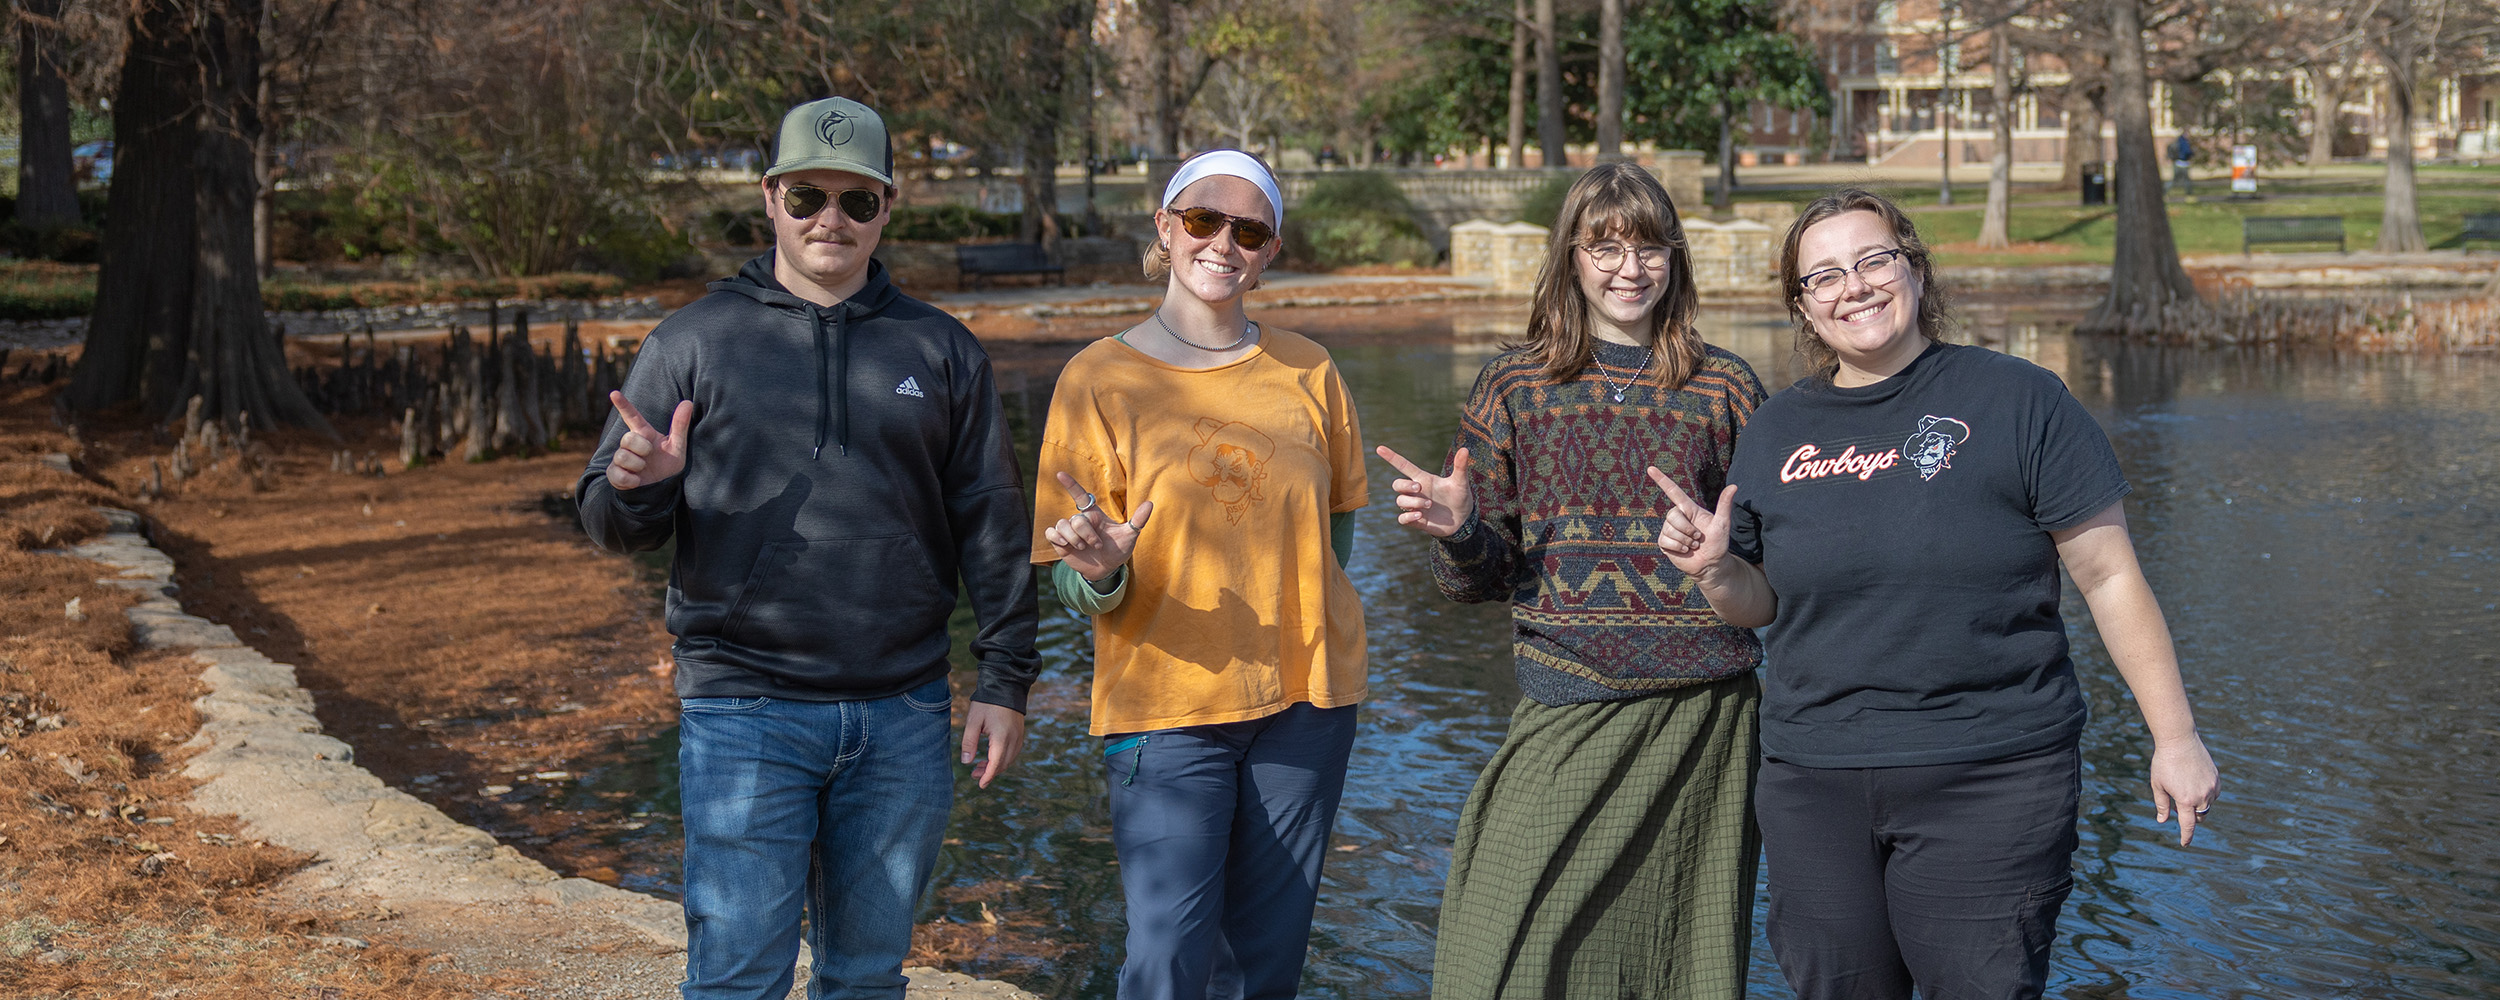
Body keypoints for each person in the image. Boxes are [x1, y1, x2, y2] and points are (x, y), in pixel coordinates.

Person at [1652, 187, 2221, 1000]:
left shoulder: (2021, 401)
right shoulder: (1777, 430)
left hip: (1992, 773)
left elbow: (2110, 576)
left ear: (1914, 269)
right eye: (1825, 276)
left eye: (1873, 260)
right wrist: (1714, 570)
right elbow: (1760, 603)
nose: (1854, 286)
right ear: (1803, 308)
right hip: (1816, 778)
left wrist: (2177, 735)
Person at [577, 96, 1039, 1000]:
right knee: (737, 980)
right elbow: (607, 519)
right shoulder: (692, 342)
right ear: (770, 198)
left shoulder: (943, 349)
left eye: (856, 201)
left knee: (867, 979)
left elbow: (990, 519)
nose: (831, 219)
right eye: (808, 197)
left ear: (886, 209)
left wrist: (1004, 679)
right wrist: (645, 484)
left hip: (903, 713)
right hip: (744, 710)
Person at [1376, 161, 1768, 1000]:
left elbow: (1768, 559)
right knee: (1499, 947)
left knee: (1677, 953)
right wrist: (1461, 532)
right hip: (1567, 701)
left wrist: (1724, 554)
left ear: (1676, 259)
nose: (1631, 268)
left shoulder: (1726, 386)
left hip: (1703, 713)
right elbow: (1477, 581)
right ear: (1571, 258)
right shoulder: (1516, 385)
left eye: (1651, 247)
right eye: (1607, 247)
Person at [1029, 149, 1369, 1000]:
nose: (1224, 243)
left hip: (1308, 705)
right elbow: (1073, 580)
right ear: (1165, 228)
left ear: (1271, 252)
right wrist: (1104, 570)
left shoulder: (1310, 369)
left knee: (1266, 961)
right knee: (1167, 956)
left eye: (1249, 230)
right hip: (1166, 707)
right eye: (1203, 220)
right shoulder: (1097, 379)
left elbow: (1338, 536)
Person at [2170, 133, 2196, 197]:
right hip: (2184, 163)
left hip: (2176, 162)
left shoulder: (2176, 142)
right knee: (2186, 180)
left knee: (2174, 179)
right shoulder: (2185, 143)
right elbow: (2187, 152)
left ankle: (2165, 191)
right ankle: (2189, 193)